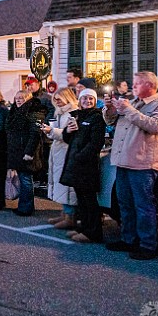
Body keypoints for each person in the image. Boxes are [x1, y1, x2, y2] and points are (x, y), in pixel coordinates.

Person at [104, 71, 158, 260]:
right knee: (125, 203)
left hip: (143, 163)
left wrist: (128, 109)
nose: (133, 87)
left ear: (150, 85)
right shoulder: (132, 103)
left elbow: (155, 126)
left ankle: (147, 245)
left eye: (137, 84)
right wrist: (109, 109)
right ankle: (128, 239)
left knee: (143, 206)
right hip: (123, 160)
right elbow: (111, 121)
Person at [58, 88, 106, 243]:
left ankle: (93, 232)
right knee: (81, 199)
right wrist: (68, 131)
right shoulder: (76, 116)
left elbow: (95, 143)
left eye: (91, 99)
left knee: (89, 199)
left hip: (87, 165)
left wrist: (80, 157)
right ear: (79, 101)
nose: (88, 101)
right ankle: (83, 228)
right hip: (75, 164)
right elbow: (67, 139)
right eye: (84, 98)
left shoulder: (97, 118)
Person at [41, 87, 78, 229]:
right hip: (58, 151)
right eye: (55, 99)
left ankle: (70, 216)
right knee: (60, 183)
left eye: (59, 98)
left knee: (66, 185)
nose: (57, 101)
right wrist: (50, 132)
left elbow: (68, 135)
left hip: (66, 151)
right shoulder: (60, 113)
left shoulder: (71, 113)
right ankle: (65, 213)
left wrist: (53, 131)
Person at [6, 90, 45, 217]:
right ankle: (24, 206)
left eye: (21, 98)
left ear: (28, 99)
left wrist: (29, 152)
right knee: (24, 180)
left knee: (26, 180)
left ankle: (26, 208)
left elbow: (35, 134)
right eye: (16, 98)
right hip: (18, 151)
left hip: (27, 152)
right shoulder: (15, 112)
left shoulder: (34, 112)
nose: (18, 100)